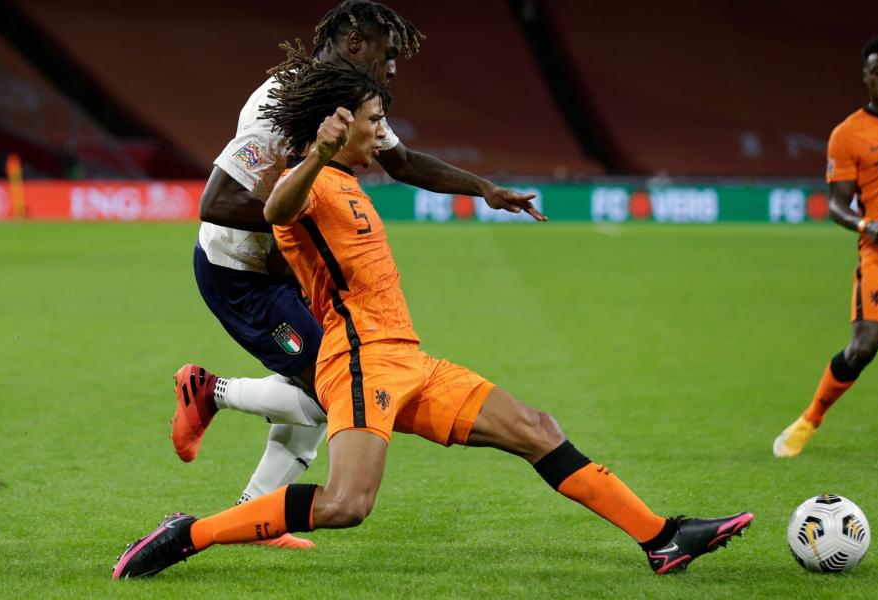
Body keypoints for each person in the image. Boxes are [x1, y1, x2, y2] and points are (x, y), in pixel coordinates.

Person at [114, 53, 752, 580]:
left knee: (536, 427)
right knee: (346, 505)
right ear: (337, 125)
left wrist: (475, 187)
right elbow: (277, 210)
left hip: (408, 358)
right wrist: (315, 155)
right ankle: (189, 534)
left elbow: (392, 169)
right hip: (361, 362)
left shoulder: (348, 181)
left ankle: (661, 537)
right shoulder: (306, 181)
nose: (381, 131)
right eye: (373, 119)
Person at [170, 0, 543, 549]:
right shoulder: (279, 104)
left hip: (293, 273)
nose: (393, 68)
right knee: (330, 395)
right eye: (388, 54)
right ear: (352, 40)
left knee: (328, 387)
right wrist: (305, 217)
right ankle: (209, 392)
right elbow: (218, 201)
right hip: (242, 272)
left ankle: (256, 515)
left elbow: (404, 163)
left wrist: (482, 188)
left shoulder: (348, 100)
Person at [774, 34, 878, 458]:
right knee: (862, 348)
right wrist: (866, 224)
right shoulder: (849, 134)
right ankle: (811, 417)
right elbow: (837, 205)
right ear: (866, 77)